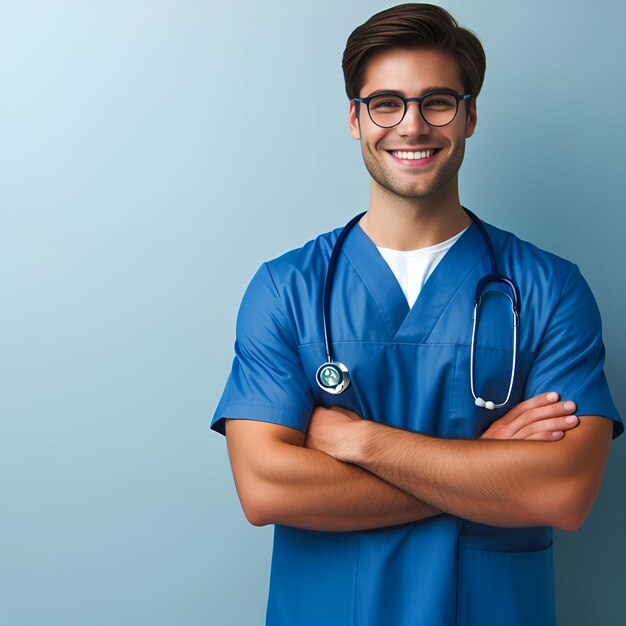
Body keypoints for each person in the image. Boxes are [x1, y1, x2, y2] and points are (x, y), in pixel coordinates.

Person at [211, 4, 623, 625]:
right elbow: (266, 489)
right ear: (355, 118)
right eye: (386, 103)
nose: (412, 125)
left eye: (437, 102)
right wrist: (484, 466)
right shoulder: (286, 288)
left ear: (469, 115)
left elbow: (562, 493)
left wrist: (358, 440)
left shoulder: (550, 288)